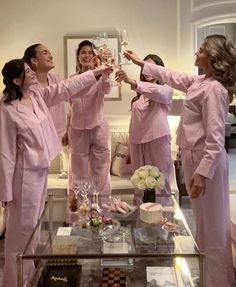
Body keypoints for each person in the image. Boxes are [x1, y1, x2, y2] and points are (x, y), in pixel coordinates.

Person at [123, 35, 236, 287]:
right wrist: (140, 62)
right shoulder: (200, 81)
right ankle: (209, 275)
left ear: (214, 57)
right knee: (204, 225)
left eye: (202, 49)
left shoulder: (215, 89)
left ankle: (218, 281)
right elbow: (172, 75)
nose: (196, 51)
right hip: (194, 157)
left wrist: (202, 173)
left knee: (213, 227)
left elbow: (216, 139)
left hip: (207, 162)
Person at [0, 58, 112, 287]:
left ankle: (29, 277)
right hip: (24, 176)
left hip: (39, 172)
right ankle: (13, 281)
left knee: (32, 228)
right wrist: (6, 191)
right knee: (20, 232)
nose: (32, 73)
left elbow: (65, 88)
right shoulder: (7, 109)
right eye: (27, 71)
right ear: (16, 79)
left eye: (31, 69)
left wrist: (97, 72)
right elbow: (5, 153)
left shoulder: (37, 96)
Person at [115, 54, 174, 205]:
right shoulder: (138, 96)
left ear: (159, 69)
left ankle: (164, 222)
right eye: (144, 67)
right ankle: (141, 223)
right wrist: (130, 147)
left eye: (151, 67)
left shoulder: (165, 89)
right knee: (139, 183)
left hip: (157, 141)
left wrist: (130, 80)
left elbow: (157, 92)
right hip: (137, 144)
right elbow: (134, 122)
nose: (147, 71)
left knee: (160, 183)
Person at [63, 40, 112, 207]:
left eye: (90, 52)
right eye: (83, 52)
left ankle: (102, 210)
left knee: (101, 172)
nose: (87, 55)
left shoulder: (99, 77)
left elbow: (106, 89)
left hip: (98, 127)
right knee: (77, 172)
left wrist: (105, 72)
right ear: (78, 57)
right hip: (77, 130)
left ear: (94, 56)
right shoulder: (72, 80)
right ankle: (77, 213)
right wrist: (65, 130)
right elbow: (72, 107)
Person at [23, 44, 68, 178]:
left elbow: (73, 94)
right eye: (45, 53)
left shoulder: (56, 80)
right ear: (34, 61)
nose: (50, 55)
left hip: (60, 133)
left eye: (49, 52)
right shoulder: (28, 85)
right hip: (38, 138)